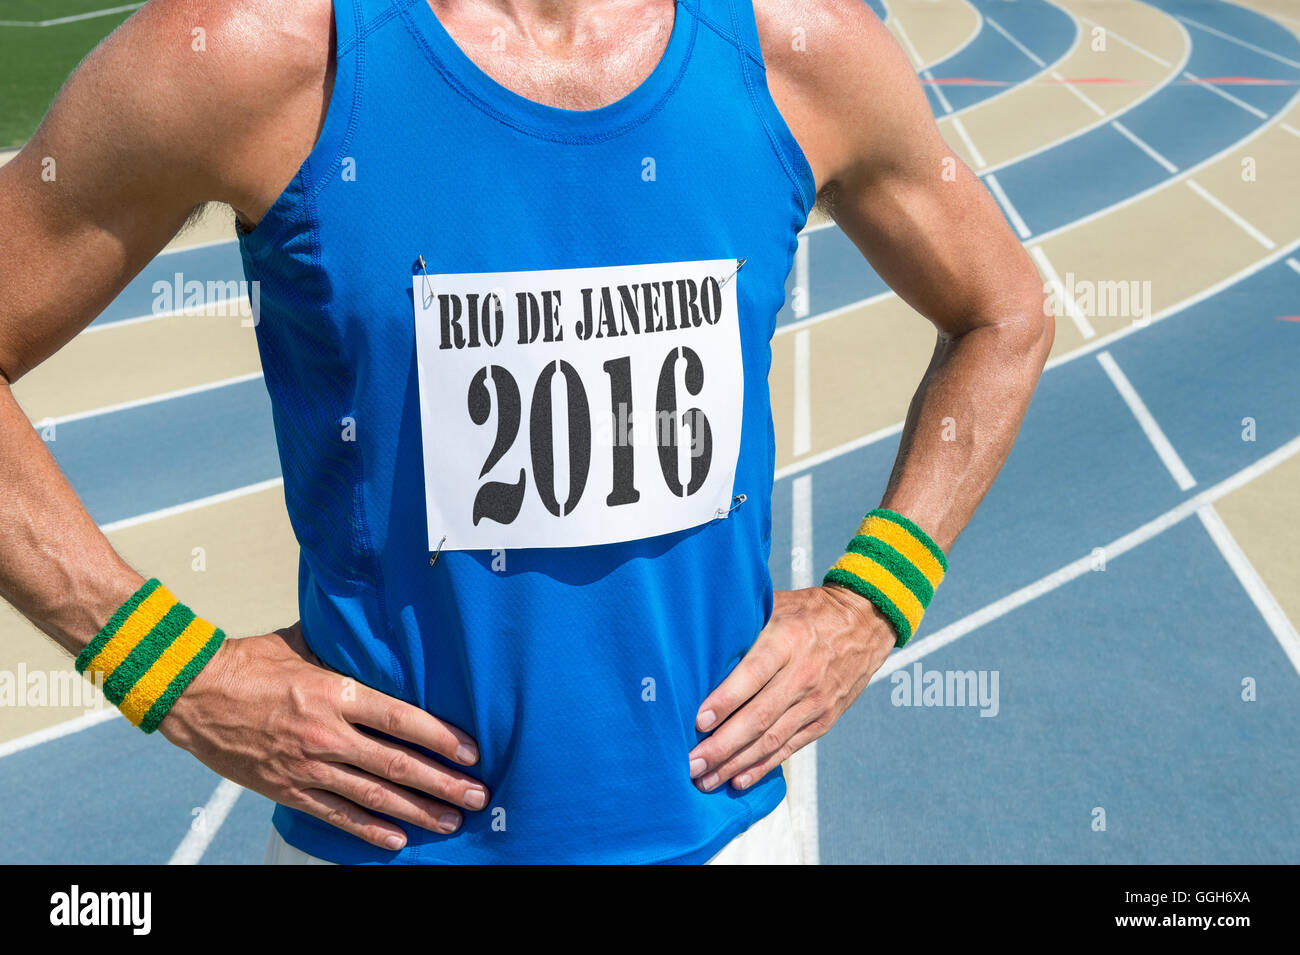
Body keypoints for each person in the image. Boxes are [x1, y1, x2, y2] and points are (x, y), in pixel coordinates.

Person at [0, 0, 1052, 864]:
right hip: (383, 845)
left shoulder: (803, 49)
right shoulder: (254, 53)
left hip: (732, 834)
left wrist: (874, 598)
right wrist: (167, 669)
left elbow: (1003, 313)